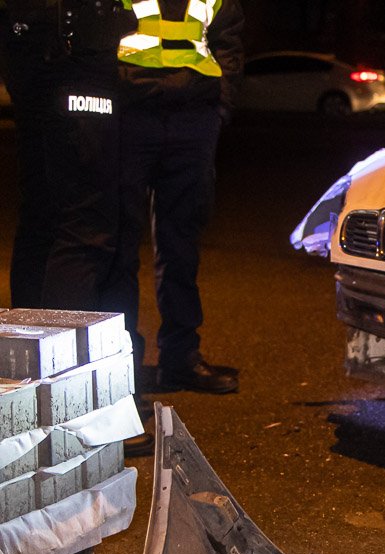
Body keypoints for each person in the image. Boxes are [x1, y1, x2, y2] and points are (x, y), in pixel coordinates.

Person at [0, 0, 153, 456]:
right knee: (87, 229)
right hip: (75, 47)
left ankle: (27, 392)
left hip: (37, 46)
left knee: (45, 219)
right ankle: (74, 409)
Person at [112, 0, 244, 394]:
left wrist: (218, 106)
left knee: (181, 244)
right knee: (117, 245)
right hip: (129, 114)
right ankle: (121, 366)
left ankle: (180, 358)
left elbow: (228, 43)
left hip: (193, 120)